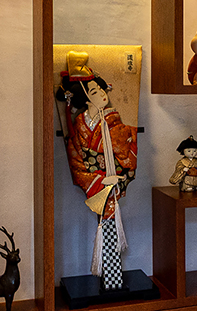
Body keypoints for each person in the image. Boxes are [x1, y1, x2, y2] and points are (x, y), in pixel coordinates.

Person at [56, 51, 137, 288]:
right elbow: (77, 157)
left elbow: (126, 150)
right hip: (97, 181)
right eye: (94, 92)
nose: (102, 94)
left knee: (110, 222)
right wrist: (99, 179)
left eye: (101, 89)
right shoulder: (79, 125)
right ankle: (110, 278)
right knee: (105, 221)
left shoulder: (113, 121)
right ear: (85, 99)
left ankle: (113, 278)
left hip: (113, 177)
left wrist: (115, 174)